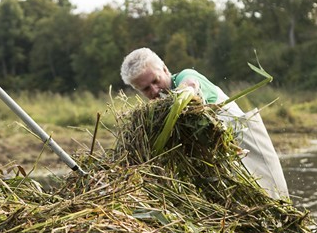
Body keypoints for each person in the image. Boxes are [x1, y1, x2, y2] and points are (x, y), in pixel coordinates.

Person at [120, 47, 289, 199]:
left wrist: (186, 92)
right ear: (137, 90)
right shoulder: (154, 116)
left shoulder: (184, 77)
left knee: (276, 202)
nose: (155, 90)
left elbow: (191, 85)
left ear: (164, 68)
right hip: (222, 172)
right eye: (146, 89)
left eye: (155, 81)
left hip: (248, 150)